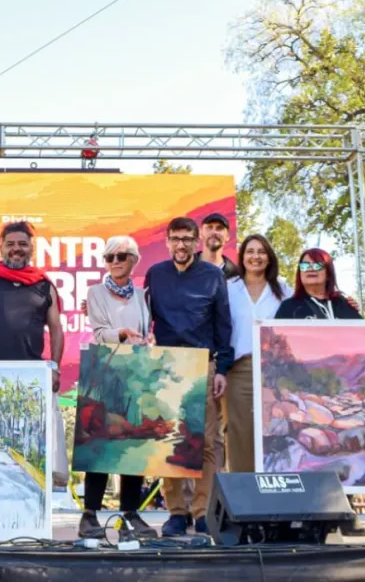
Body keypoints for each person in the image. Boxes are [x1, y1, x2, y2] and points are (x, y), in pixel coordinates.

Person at [0, 221, 67, 498]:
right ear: (1, 247)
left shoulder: (45, 287)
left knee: (30, 450)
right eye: (10, 244)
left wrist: (55, 367)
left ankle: (29, 508)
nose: (16, 249)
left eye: (22, 243)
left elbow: (57, 330)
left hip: (33, 379)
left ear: (31, 247)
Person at [144, 216, 231, 537]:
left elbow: (223, 324)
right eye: (175, 239)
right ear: (167, 242)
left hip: (203, 364)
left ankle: (203, 512)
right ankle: (177, 512)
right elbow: (141, 318)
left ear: (197, 242)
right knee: (169, 440)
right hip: (166, 364)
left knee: (207, 443)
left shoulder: (212, 276)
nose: (181, 245)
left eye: (187, 239)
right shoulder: (156, 275)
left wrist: (222, 368)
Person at [274, 247, 365, 537]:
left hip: (343, 392)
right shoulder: (290, 308)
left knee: (346, 445)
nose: (311, 269)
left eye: (318, 264)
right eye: (304, 265)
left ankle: (345, 511)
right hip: (305, 393)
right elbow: (277, 351)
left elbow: (364, 341)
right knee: (310, 449)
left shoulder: (345, 307)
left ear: (328, 270)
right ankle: (308, 515)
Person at [79, 236, 157, 541]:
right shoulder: (95, 292)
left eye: (121, 256)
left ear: (134, 260)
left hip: (135, 372)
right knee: (100, 444)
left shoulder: (143, 296)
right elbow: (99, 333)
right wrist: (121, 334)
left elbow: (147, 330)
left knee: (132, 444)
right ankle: (90, 515)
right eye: (109, 257)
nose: (114, 262)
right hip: (105, 369)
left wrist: (145, 343)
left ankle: (129, 514)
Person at [224, 235, 292, 473]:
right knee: (239, 430)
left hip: (273, 371)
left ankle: (273, 490)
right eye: (250, 251)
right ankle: (243, 490)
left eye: (261, 252)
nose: (256, 256)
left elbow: (300, 320)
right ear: (242, 257)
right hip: (239, 369)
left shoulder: (283, 289)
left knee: (273, 429)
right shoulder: (229, 288)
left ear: (269, 257)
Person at [195, 213, 238, 280]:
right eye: (209, 227)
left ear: (227, 236)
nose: (214, 232)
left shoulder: (236, 275)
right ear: (200, 233)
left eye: (219, 228)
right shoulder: (185, 267)